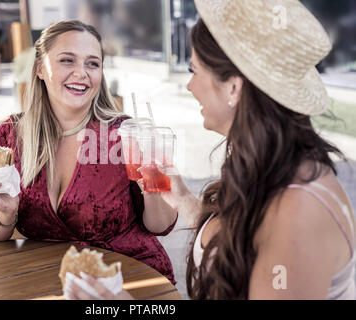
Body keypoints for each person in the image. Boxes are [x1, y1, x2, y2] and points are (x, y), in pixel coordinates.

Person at [68, 0, 355, 300]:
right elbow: (239, 244)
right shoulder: (273, 166)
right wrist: (183, 200)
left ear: (233, 87)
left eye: (194, 71)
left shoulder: (297, 213)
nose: (190, 86)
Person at [0, 20, 178, 285]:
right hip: (48, 281)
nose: (81, 73)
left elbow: (161, 226)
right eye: (67, 60)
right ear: (40, 69)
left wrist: (153, 187)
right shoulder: (12, 134)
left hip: (129, 279)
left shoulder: (124, 133)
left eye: (92, 63)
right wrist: (6, 213)